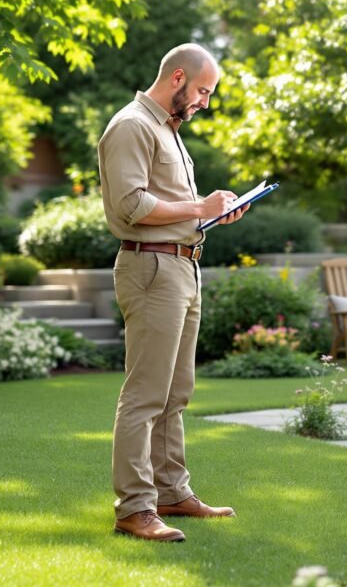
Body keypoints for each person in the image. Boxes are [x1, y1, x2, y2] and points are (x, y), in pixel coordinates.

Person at [98, 43, 247, 543]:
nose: (205, 101)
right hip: (151, 266)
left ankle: (170, 492)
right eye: (203, 90)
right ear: (178, 78)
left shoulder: (168, 131)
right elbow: (133, 203)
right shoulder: (132, 126)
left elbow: (180, 207)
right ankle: (134, 508)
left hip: (183, 266)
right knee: (145, 394)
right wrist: (198, 208)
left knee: (176, 393)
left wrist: (212, 211)